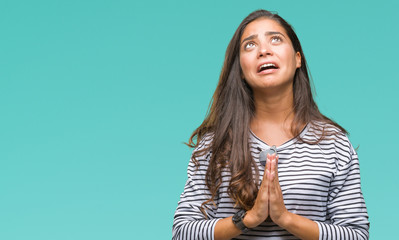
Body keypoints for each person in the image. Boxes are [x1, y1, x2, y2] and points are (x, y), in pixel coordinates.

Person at [172, 9, 369, 240]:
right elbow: (183, 232)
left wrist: (286, 218)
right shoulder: (214, 144)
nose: (264, 50)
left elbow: (356, 235)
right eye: (250, 45)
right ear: (242, 71)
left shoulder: (334, 144)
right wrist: (246, 219)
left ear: (298, 58)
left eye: (275, 39)